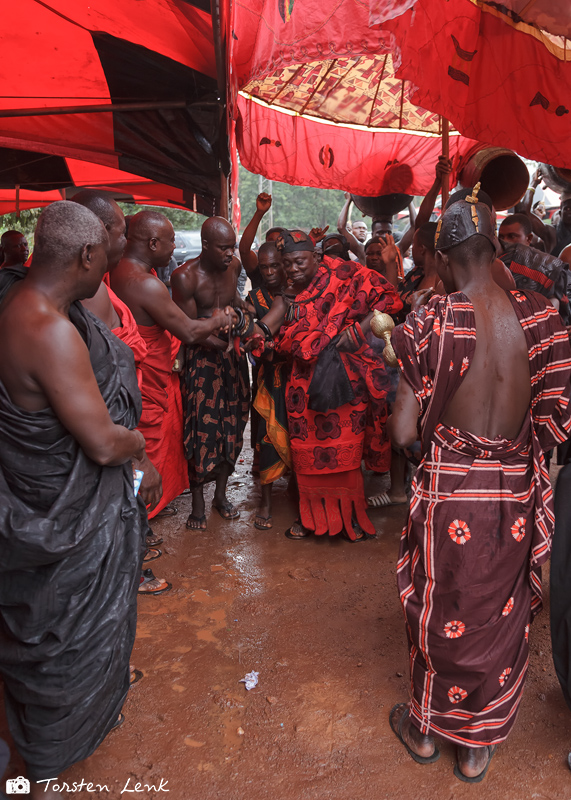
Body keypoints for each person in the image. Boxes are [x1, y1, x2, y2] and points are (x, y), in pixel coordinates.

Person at [388, 187, 571, 782]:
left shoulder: (428, 321)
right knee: (500, 612)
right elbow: (555, 423)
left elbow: (401, 431)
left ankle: (423, 730)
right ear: (494, 247)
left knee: (441, 608)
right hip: (515, 491)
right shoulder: (542, 317)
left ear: (441, 260)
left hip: (450, 494)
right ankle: (474, 745)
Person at [0, 202, 147, 799]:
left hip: (31, 496)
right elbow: (103, 443)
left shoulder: (14, 304)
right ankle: (47, 765)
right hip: (59, 520)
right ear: (87, 256)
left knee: (41, 627)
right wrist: (139, 442)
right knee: (68, 634)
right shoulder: (51, 331)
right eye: (104, 256)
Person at [274, 229, 402, 541]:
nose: (293, 269)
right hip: (303, 385)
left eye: (300, 262)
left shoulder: (348, 274)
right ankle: (310, 518)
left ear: (316, 257)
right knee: (306, 454)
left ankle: (349, 517)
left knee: (346, 455)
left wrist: (358, 330)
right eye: (287, 264)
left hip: (348, 379)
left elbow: (389, 300)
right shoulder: (285, 292)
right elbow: (278, 335)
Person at [72, 191, 167, 593]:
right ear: (98, 235)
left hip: (125, 421)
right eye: (121, 232)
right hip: (110, 433)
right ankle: (130, 571)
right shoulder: (84, 295)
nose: (126, 242)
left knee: (124, 508)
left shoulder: (99, 285)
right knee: (118, 506)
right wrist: (140, 459)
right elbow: (99, 384)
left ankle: (131, 553)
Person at [110, 211, 231, 528]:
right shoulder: (146, 283)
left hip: (141, 374)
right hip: (144, 378)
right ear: (152, 243)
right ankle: (136, 522)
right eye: (171, 240)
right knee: (142, 453)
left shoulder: (116, 271)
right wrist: (220, 320)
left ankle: (139, 514)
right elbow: (189, 332)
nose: (174, 246)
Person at [171, 216, 250, 530]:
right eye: (223, 247)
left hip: (232, 356)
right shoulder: (184, 276)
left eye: (232, 246)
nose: (230, 253)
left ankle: (220, 495)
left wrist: (245, 320)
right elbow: (191, 331)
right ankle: (198, 502)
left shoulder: (234, 267)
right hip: (203, 358)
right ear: (205, 246)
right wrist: (225, 342)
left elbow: (235, 304)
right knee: (202, 430)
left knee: (232, 424)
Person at [246, 241, 291, 529]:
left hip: (297, 375)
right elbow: (254, 336)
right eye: (264, 267)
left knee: (297, 434)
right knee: (266, 434)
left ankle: (298, 492)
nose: (271, 271)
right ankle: (266, 501)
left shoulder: (299, 292)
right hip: (268, 376)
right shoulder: (256, 297)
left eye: (276, 265)